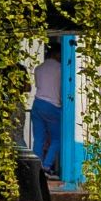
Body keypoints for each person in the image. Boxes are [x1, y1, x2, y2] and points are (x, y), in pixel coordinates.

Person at [30, 47, 64, 176]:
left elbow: (39, 86)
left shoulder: (39, 68)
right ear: (55, 54)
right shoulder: (61, 69)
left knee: (38, 138)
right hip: (52, 105)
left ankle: (36, 168)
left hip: (37, 103)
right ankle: (47, 166)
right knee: (57, 138)